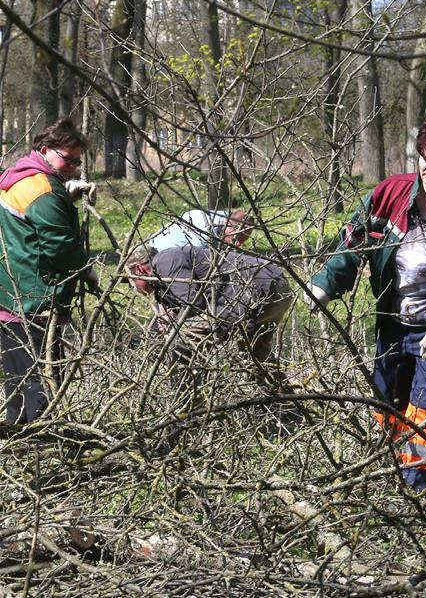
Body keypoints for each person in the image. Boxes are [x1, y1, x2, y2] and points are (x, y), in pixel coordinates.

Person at [308, 115, 426, 490]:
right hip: (393, 325)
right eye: (425, 159)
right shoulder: (388, 195)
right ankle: (388, 481)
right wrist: (325, 284)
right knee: (387, 408)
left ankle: (423, 495)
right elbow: (353, 244)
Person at [0, 117, 97, 424]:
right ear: (45, 150)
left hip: (10, 295)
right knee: (39, 385)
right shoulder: (42, 190)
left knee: (18, 380)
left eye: (78, 163)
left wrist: (63, 195)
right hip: (34, 299)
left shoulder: (19, 177)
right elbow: (60, 247)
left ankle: (19, 443)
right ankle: (42, 450)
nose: (74, 168)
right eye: (68, 160)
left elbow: (29, 224)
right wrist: (86, 268)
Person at [123, 243, 292, 387]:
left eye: (131, 281)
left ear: (139, 269)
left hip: (254, 289)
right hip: (276, 286)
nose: (134, 288)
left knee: (182, 344)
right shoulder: (166, 270)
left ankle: (187, 412)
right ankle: (287, 406)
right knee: (255, 355)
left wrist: (174, 323)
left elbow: (192, 304)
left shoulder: (165, 260)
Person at [149, 208, 254, 252]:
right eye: (238, 238)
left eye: (244, 240)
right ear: (228, 225)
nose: (239, 245)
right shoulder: (204, 234)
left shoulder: (224, 218)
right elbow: (200, 262)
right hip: (159, 251)